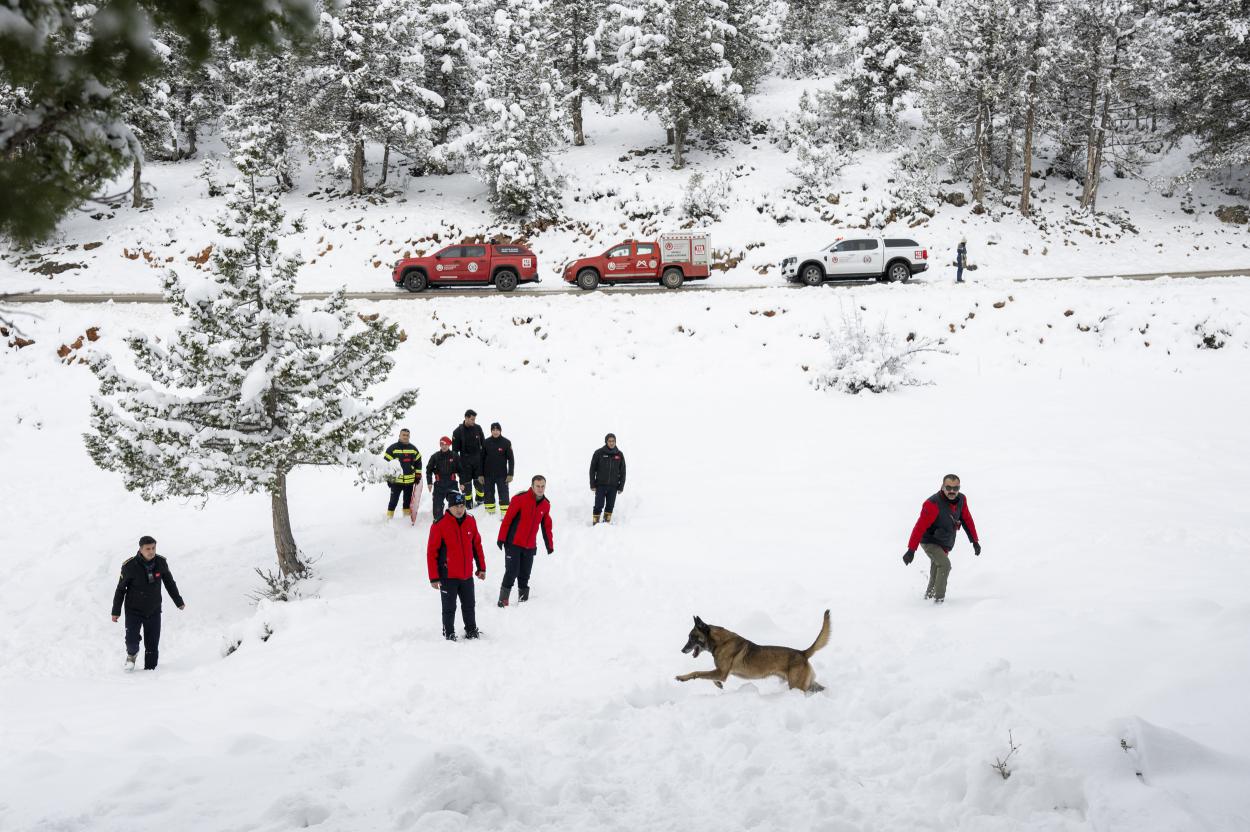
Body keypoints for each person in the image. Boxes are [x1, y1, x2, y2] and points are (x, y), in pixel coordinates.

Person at [902, 474, 982, 604]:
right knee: (945, 565)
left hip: (943, 541)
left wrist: (975, 541)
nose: (952, 491)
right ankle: (939, 600)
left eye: (955, 488)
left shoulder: (961, 499)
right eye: (948, 487)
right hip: (929, 540)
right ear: (942, 487)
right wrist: (911, 550)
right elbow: (919, 527)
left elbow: (967, 519)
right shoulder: (932, 504)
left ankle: (929, 596)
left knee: (937, 567)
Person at [110, 535, 185, 670]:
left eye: (153, 548)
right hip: (134, 610)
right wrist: (116, 611)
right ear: (140, 549)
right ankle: (131, 655)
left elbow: (169, 583)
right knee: (132, 641)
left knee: (152, 644)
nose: (151, 551)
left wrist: (178, 601)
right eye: (147, 549)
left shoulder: (161, 563)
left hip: (154, 609)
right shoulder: (129, 566)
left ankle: (151, 672)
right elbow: (120, 589)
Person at [427, 492, 486, 641]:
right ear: (449, 507)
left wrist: (481, 568)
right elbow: (431, 553)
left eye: (462, 506)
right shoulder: (439, 524)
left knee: (469, 605)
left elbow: (476, 545)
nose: (460, 509)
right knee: (449, 608)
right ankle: (449, 632)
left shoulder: (471, 521)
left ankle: (471, 630)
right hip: (448, 576)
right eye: (456, 506)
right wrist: (434, 577)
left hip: (466, 575)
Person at [496, 475, 554, 607]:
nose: (540, 489)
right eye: (537, 486)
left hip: (530, 546)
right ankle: (503, 600)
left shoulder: (545, 505)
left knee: (525, 574)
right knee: (511, 572)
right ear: (532, 486)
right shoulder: (520, 499)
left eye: (542, 486)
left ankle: (523, 602)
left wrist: (549, 545)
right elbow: (508, 520)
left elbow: (546, 526)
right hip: (513, 543)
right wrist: (501, 538)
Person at [383, 428, 422, 522]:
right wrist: (388, 479)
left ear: (409, 436)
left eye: (407, 435)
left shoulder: (413, 449)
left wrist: (417, 476)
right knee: (393, 501)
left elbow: (418, 463)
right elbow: (385, 465)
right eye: (403, 435)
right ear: (399, 436)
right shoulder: (392, 449)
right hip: (396, 482)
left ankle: (406, 519)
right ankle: (388, 519)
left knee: (407, 502)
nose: (405, 437)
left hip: (409, 482)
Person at [452, 409, 487, 509]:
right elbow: (454, 452)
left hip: (478, 461)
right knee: (466, 486)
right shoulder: (457, 432)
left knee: (479, 483)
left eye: (474, 419)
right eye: (472, 419)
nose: (473, 421)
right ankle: (468, 504)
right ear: (466, 418)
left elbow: (484, 445)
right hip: (464, 463)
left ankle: (480, 500)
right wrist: (457, 467)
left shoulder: (478, 428)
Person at [589, 433, 626, 525]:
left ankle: (606, 523)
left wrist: (621, 486)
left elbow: (623, 472)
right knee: (598, 505)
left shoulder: (619, 455)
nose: (611, 443)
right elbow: (592, 470)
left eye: (613, 441)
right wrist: (592, 485)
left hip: (613, 486)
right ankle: (595, 523)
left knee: (610, 506)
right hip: (600, 485)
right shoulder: (598, 453)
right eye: (609, 441)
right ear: (606, 442)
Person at [482, 422, 515, 515]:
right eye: (493, 430)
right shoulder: (486, 442)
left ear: (500, 431)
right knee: (488, 493)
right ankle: (490, 513)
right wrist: (480, 474)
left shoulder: (506, 443)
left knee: (504, 494)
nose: (495, 432)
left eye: (497, 430)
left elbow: (511, 460)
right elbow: (481, 459)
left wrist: (510, 474)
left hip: (502, 475)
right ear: (491, 431)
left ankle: (505, 514)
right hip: (487, 474)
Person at [426, 436, 461, 521]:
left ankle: (455, 522)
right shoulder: (435, 456)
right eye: (442, 444)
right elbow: (429, 470)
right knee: (437, 507)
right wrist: (429, 482)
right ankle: (438, 523)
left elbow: (461, 470)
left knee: (456, 505)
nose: (444, 446)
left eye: (446, 444)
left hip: (452, 483)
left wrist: (462, 482)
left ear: (449, 445)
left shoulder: (455, 456)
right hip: (439, 484)